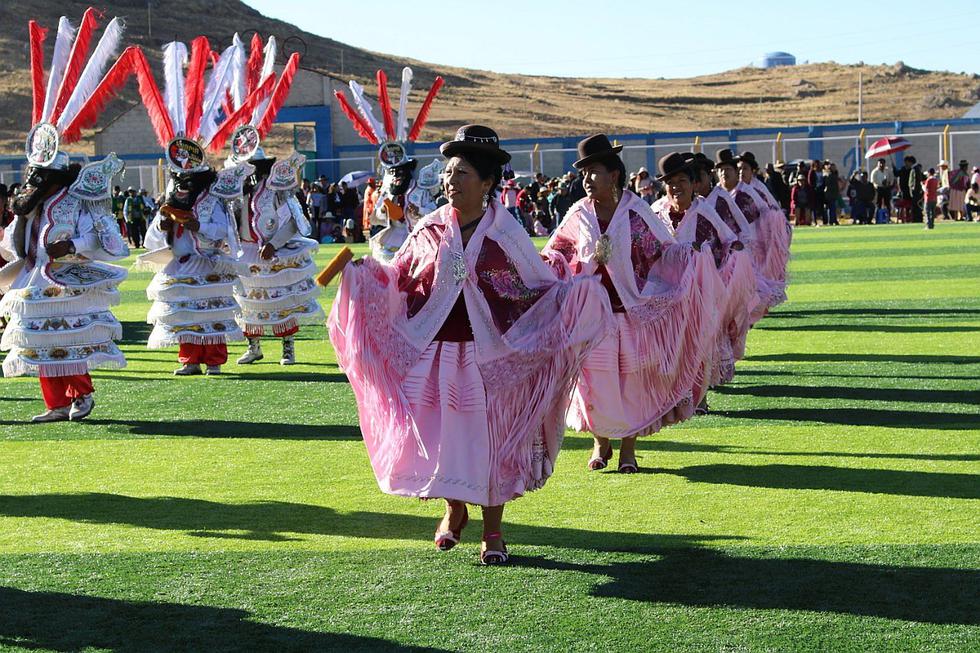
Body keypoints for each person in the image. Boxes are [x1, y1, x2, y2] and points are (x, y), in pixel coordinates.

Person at [329, 125, 610, 565]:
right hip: (435, 353)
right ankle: (454, 510)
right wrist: (368, 275)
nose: (450, 181)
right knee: (440, 440)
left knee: (489, 442)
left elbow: (535, 288)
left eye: (461, 173)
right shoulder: (429, 228)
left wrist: (573, 295)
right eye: (448, 172)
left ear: (487, 182)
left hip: (488, 358)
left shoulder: (506, 234)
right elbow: (401, 279)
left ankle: (493, 531)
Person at [543, 136, 718, 473]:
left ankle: (628, 450)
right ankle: (600, 441)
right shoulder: (579, 213)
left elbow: (661, 251)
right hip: (591, 315)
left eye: (594, 172)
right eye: (585, 174)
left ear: (614, 175)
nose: (587, 180)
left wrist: (689, 257)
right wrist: (544, 264)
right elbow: (558, 250)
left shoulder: (635, 211)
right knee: (593, 380)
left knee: (632, 380)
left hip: (631, 313)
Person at [0, 8, 130, 423]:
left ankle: (82, 394)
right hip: (34, 277)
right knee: (37, 340)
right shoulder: (33, 202)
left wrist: (72, 245)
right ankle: (55, 403)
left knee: (72, 334)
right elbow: (11, 242)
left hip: (69, 278)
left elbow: (109, 240)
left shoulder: (82, 199)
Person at [232, 139, 323, 367]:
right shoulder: (237, 193)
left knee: (281, 299)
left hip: (274, 251)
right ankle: (253, 348)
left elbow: (294, 220)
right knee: (248, 303)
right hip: (246, 252)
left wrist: (274, 243)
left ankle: (288, 348)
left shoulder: (277, 190)